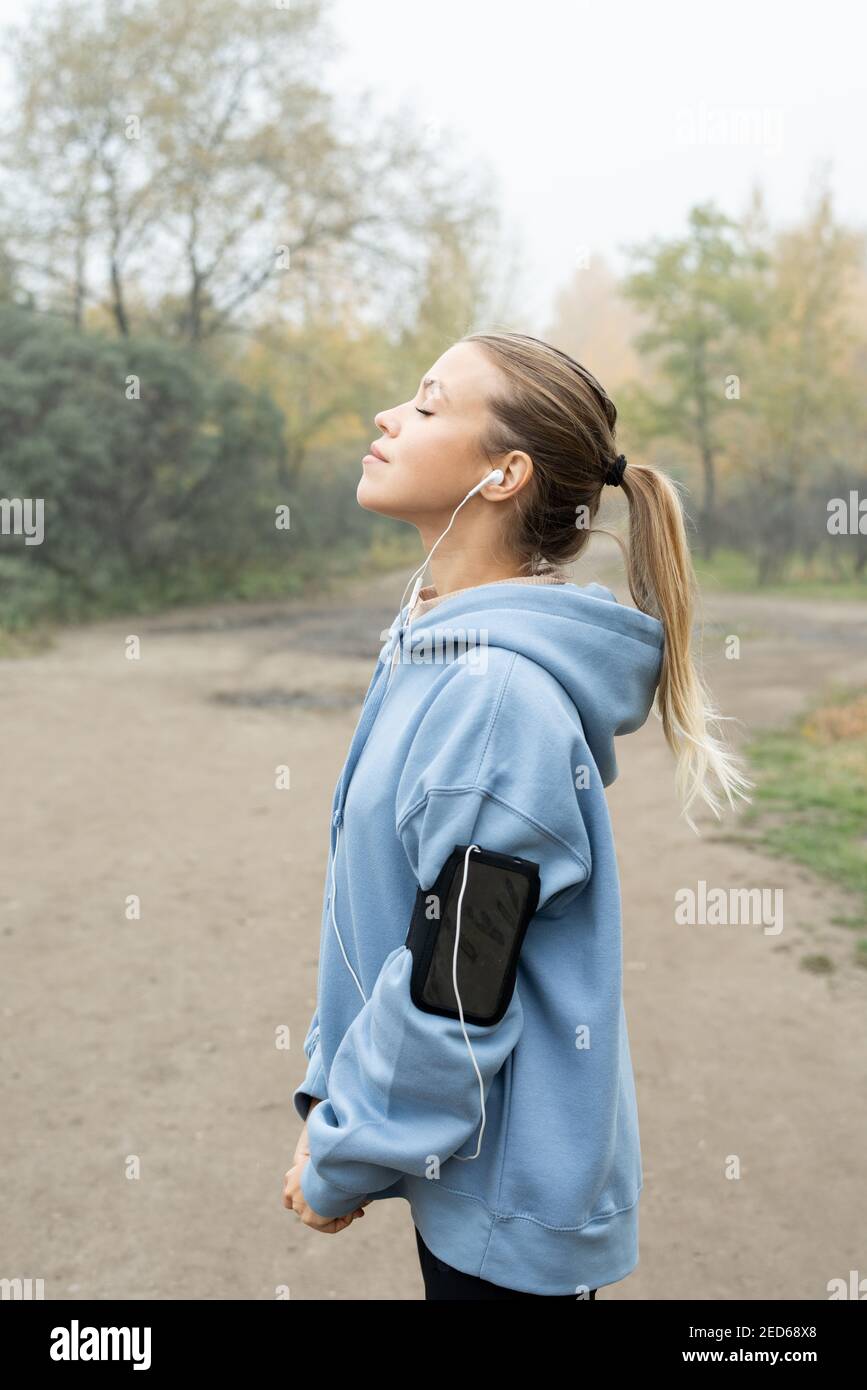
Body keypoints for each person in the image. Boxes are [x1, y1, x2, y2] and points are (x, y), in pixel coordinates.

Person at [282, 330, 751, 1298]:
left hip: (511, 1210)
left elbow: (458, 991)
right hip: (467, 1166)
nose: (388, 417)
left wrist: (345, 1149)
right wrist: (345, 1097)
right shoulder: (437, 644)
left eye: (425, 404)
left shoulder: (496, 698)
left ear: (504, 473)